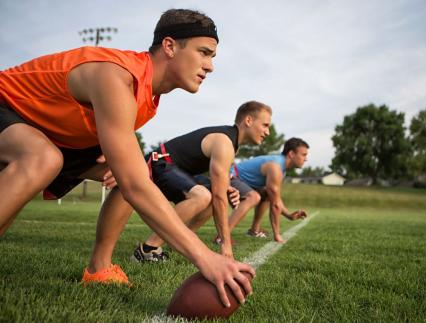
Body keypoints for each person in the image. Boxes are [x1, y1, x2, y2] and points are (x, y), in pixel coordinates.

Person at [0, 8, 253, 307]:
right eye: (204, 52)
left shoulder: (147, 95)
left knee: (133, 171)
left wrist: (117, 164)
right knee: (43, 158)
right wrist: (205, 257)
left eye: (212, 57)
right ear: (170, 46)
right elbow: (136, 187)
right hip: (12, 108)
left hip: (50, 131)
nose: (209, 66)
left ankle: (100, 268)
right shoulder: (118, 76)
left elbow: (130, 174)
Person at [104, 101, 270, 262]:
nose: (267, 132)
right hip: (158, 163)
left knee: (213, 194)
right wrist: (226, 245)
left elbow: (219, 188)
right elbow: (219, 197)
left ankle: (179, 242)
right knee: (202, 196)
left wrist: (226, 188)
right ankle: (147, 250)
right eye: (265, 125)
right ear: (248, 120)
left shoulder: (231, 142)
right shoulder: (225, 142)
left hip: (176, 169)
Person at [225, 138, 309, 243]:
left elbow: (275, 198)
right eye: (304, 154)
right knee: (254, 197)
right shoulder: (276, 167)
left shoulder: (281, 168)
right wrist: (277, 234)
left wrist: (289, 215)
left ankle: (254, 230)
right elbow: (275, 205)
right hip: (229, 178)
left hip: (242, 181)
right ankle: (222, 236)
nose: (306, 159)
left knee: (266, 193)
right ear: (291, 154)